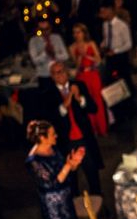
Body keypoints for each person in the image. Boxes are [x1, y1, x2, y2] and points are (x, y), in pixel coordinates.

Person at [42, 62, 103, 196]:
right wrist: (66, 101)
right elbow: (50, 119)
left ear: (67, 72)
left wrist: (79, 98)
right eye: (56, 72)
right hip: (65, 142)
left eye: (63, 70)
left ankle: (100, 205)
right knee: (71, 179)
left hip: (84, 139)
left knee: (92, 173)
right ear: (52, 76)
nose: (61, 74)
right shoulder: (48, 93)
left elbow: (94, 108)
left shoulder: (79, 86)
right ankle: (75, 208)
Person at [69, 23, 108, 136]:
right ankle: (92, 129)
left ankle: (102, 128)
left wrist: (87, 56)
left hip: (93, 74)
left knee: (97, 101)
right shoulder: (72, 47)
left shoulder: (91, 44)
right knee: (85, 101)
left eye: (78, 32)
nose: (76, 35)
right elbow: (76, 66)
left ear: (84, 33)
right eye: (74, 32)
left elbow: (98, 60)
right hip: (82, 76)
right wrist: (80, 58)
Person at [99, 0, 135, 96]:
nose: (102, 14)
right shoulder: (105, 25)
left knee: (124, 79)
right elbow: (106, 38)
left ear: (110, 10)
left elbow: (129, 44)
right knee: (111, 80)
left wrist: (116, 51)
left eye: (104, 11)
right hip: (109, 56)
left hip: (120, 56)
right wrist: (102, 45)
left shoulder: (122, 25)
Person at [28, 19, 69, 90]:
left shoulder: (57, 38)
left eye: (47, 29)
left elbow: (66, 56)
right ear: (38, 29)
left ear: (50, 28)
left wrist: (54, 54)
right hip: (44, 76)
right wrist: (46, 53)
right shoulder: (33, 41)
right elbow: (35, 61)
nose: (45, 32)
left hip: (60, 74)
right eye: (42, 30)